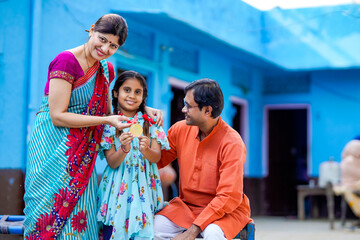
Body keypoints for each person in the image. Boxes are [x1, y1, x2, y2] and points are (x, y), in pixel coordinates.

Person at [23, 14, 162, 239]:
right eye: (102, 39)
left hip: (83, 157)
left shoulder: (106, 70)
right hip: (52, 149)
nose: (105, 48)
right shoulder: (66, 61)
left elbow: (110, 111)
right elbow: (58, 115)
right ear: (91, 30)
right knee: (46, 213)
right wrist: (106, 121)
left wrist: (145, 109)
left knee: (83, 218)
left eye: (113, 45)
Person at [154, 79, 252, 240]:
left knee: (213, 235)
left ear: (207, 111)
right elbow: (157, 159)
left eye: (189, 106)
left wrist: (191, 232)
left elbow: (228, 196)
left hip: (225, 212)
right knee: (153, 229)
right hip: (186, 208)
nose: (183, 109)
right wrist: (144, 124)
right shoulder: (180, 129)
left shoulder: (232, 142)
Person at [96, 71, 170, 239]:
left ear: (144, 96)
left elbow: (156, 157)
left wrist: (146, 150)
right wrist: (123, 149)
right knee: (114, 226)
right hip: (117, 186)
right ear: (116, 93)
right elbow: (112, 163)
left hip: (144, 185)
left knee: (143, 229)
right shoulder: (110, 124)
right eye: (127, 90)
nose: (132, 96)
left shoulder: (151, 122)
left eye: (138, 92)